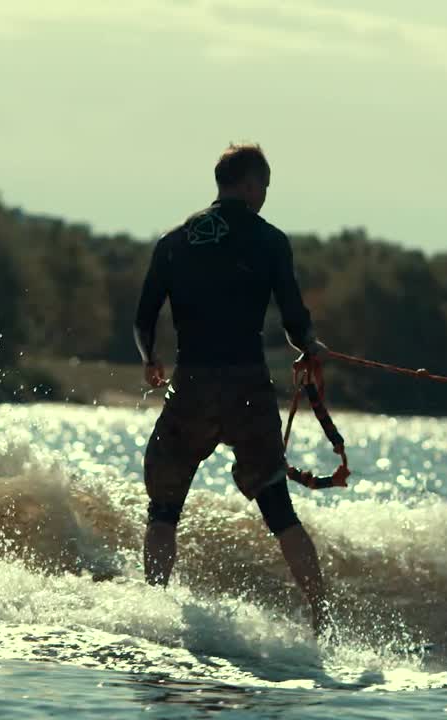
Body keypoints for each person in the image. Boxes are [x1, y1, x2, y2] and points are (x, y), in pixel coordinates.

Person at [134, 142, 329, 636]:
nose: (265, 195)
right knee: (280, 511)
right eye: (263, 185)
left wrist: (150, 359)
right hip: (247, 388)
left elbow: (143, 317)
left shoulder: (174, 242)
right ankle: (322, 622)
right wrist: (309, 347)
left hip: (193, 386)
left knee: (163, 511)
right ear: (246, 183)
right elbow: (293, 318)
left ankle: (154, 611)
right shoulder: (269, 241)